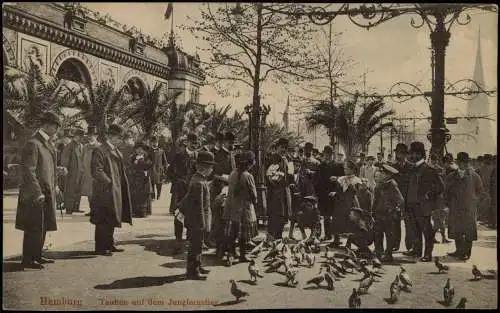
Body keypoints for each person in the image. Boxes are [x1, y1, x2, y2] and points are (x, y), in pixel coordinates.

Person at [15, 112, 63, 269]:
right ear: (47, 125)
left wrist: (55, 186)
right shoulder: (33, 143)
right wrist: (37, 192)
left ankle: (37, 255)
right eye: (55, 126)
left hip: (47, 191)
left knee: (43, 224)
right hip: (35, 194)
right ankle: (28, 259)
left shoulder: (47, 144)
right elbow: (29, 170)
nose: (56, 130)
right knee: (34, 226)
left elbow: (51, 169)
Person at [90, 124, 133, 256]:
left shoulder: (115, 150)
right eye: (118, 137)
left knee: (113, 217)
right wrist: (109, 182)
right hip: (105, 191)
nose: (120, 140)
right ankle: (101, 247)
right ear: (109, 136)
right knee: (103, 219)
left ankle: (109, 244)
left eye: (121, 137)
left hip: (115, 190)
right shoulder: (100, 150)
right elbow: (97, 170)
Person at [178, 151, 215, 280]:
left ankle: (197, 266)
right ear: (204, 168)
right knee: (195, 246)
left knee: (198, 245)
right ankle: (193, 272)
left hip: (197, 220)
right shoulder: (199, 182)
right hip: (197, 221)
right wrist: (202, 224)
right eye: (210, 167)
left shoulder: (199, 179)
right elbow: (199, 206)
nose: (212, 170)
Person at [405, 142, 444, 262]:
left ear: (421, 155)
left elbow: (440, 187)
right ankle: (417, 250)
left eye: (415, 154)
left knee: (427, 230)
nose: (412, 156)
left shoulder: (429, 170)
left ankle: (427, 254)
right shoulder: (410, 169)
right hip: (411, 203)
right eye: (411, 154)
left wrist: (429, 194)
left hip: (423, 205)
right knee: (414, 229)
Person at [445, 152, 484, 261]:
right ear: (457, 162)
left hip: (469, 209)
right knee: (457, 229)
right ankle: (458, 251)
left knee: (468, 231)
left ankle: (467, 253)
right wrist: (448, 204)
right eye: (461, 162)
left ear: (468, 163)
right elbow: (446, 192)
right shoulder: (451, 176)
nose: (463, 164)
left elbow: (481, 192)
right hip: (455, 208)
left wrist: (475, 202)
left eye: (465, 162)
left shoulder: (475, 176)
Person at [223, 151, 258, 265]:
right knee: (243, 233)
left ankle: (231, 254)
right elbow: (254, 195)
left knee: (232, 232)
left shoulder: (233, 173)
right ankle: (242, 255)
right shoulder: (248, 176)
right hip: (244, 208)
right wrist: (254, 202)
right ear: (250, 163)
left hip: (232, 207)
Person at [166, 133, 199, 254]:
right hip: (180, 190)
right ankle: (178, 239)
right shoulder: (179, 156)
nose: (194, 145)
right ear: (187, 143)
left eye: (196, 143)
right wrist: (178, 180)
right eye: (192, 143)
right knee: (179, 214)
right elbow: (169, 172)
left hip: (193, 190)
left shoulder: (198, 156)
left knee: (193, 215)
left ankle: (190, 239)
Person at [372, 164, 404, 262]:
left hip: (388, 214)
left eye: (382, 172)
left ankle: (388, 254)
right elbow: (375, 199)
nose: (380, 174)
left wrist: (394, 209)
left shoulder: (392, 184)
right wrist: (373, 211)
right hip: (379, 213)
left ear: (388, 175)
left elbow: (400, 200)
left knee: (389, 234)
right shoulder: (379, 184)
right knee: (377, 233)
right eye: (380, 172)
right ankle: (378, 252)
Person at [266, 138, 292, 240]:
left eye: (285, 148)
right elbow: (268, 175)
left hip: (284, 190)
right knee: (274, 214)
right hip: (274, 191)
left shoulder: (286, 159)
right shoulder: (271, 158)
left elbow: (289, 174)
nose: (283, 150)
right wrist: (274, 181)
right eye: (282, 147)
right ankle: (271, 236)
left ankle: (278, 236)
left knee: (283, 214)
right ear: (277, 147)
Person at [314, 145, 341, 241]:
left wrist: (336, 179)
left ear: (332, 154)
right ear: (324, 154)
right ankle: (328, 235)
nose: (327, 156)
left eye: (329, 154)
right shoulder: (320, 166)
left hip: (334, 194)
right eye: (326, 154)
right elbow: (316, 181)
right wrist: (317, 193)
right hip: (323, 195)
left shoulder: (337, 165)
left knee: (335, 215)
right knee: (326, 216)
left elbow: (343, 179)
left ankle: (337, 237)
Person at [60, 126, 86, 214]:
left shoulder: (82, 146)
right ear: (75, 136)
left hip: (81, 172)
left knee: (78, 190)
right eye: (79, 136)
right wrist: (65, 169)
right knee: (70, 190)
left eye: (82, 137)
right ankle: (69, 208)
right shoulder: (69, 146)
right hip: (72, 172)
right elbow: (64, 159)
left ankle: (76, 207)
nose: (81, 138)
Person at [429, 153, 451, 244]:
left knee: (438, 219)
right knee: (439, 219)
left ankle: (434, 237)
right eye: (448, 163)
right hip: (438, 198)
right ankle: (442, 238)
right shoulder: (438, 172)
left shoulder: (441, 171)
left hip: (440, 198)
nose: (449, 164)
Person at [129, 142, 153, 218]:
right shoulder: (132, 157)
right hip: (135, 179)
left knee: (144, 195)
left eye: (141, 149)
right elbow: (130, 166)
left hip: (144, 179)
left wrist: (139, 162)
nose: (139, 151)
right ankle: (135, 211)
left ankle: (144, 211)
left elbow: (148, 165)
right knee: (135, 195)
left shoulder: (147, 157)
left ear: (143, 150)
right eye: (137, 149)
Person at [81, 127, 101, 216]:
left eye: (92, 135)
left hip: (96, 173)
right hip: (87, 173)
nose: (90, 137)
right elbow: (82, 158)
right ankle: (92, 210)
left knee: (96, 192)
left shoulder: (100, 146)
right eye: (88, 135)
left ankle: (97, 210)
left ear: (96, 136)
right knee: (89, 193)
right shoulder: (85, 147)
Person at [149, 136, 168, 203]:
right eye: (153, 142)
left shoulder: (161, 151)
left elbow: (164, 161)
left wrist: (165, 170)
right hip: (151, 170)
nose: (155, 143)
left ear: (158, 143)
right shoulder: (149, 151)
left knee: (159, 183)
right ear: (151, 143)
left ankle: (159, 195)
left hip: (159, 170)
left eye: (156, 142)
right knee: (151, 183)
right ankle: (153, 196)